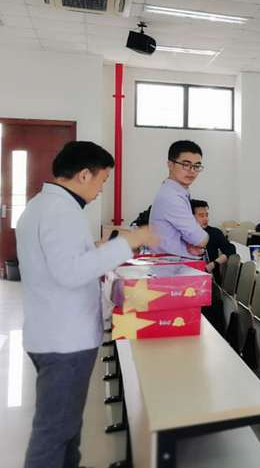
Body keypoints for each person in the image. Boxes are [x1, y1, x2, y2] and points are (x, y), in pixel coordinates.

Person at [16, 141, 157, 468]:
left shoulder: (44, 205)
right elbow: (70, 272)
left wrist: (96, 248)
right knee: (53, 433)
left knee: (66, 427)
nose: (101, 189)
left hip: (53, 333)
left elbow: (58, 260)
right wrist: (128, 242)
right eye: (102, 180)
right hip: (64, 341)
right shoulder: (59, 211)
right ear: (83, 175)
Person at [149, 140, 209, 257]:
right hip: (172, 265)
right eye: (186, 165)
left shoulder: (178, 192)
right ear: (170, 165)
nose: (192, 171)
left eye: (196, 166)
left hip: (175, 262)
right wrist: (201, 239)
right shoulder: (172, 197)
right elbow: (199, 239)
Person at [191, 199, 235, 273]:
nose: (206, 219)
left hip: (211, 276)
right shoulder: (183, 234)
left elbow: (230, 250)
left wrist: (213, 264)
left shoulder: (214, 232)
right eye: (201, 216)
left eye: (206, 215)